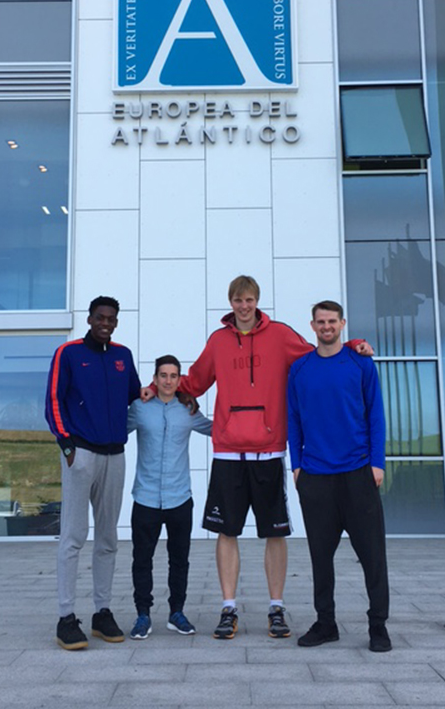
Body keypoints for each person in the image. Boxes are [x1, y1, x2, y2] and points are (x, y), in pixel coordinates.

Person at [142, 275, 373, 640]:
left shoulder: (280, 335)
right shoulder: (219, 341)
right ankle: (228, 608)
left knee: (274, 533)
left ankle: (276, 608)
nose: (244, 306)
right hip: (228, 453)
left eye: (249, 299)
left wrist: (352, 344)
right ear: (231, 303)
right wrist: (155, 386)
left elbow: (319, 353)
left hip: (269, 451)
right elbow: (194, 381)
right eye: (238, 300)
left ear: (257, 301)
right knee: (226, 531)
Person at [287, 300, 391, 653]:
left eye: (332, 321)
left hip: (358, 473)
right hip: (316, 476)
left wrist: (377, 463)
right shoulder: (300, 369)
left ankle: (378, 626)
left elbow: (375, 414)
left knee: (373, 556)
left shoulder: (360, 363)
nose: (327, 326)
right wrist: (297, 467)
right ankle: (326, 623)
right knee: (320, 558)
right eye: (321, 322)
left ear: (342, 324)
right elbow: (293, 419)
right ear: (312, 326)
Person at [45, 296, 141, 651]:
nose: (106, 323)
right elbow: (53, 401)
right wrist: (67, 446)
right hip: (81, 454)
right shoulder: (68, 353)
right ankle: (66, 617)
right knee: (73, 536)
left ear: (116, 322)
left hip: (115, 455)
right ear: (89, 319)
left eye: (111, 318)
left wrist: (174, 397)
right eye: (100, 317)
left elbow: (136, 397)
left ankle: (102, 612)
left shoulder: (122, 356)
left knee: (108, 538)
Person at [126, 355, 212, 640]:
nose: (167, 381)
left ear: (179, 379)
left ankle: (177, 613)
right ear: (155, 378)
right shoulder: (139, 408)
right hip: (146, 498)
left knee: (180, 560)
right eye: (163, 375)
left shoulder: (187, 409)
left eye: (173, 376)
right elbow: (114, 431)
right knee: (142, 559)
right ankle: (143, 615)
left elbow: (216, 430)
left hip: (179, 499)